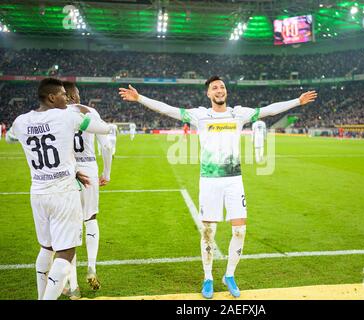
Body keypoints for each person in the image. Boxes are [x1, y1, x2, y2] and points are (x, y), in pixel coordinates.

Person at [119, 76, 317, 299]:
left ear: (226, 92)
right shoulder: (200, 115)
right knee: (208, 232)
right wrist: (139, 98)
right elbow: (168, 109)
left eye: (222, 87)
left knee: (240, 230)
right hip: (209, 181)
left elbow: (269, 110)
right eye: (214, 88)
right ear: (208, 94)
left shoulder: (238, 114)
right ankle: (208, 277)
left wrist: (297, 101)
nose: (219, 90)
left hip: (234, 180)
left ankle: (229, 275)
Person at [6, 78, 111, 300]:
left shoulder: (20, 121)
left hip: (38, 193)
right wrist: (85, 109)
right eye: (64, 94)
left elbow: (10, 138)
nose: (68, 98)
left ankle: (42, 294)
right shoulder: (68, 115)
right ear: (52, 97)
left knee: (46, 247)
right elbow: (103, 128)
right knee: (66, 250)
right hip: (64, 193)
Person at [62, 81, 114, 298]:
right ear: (76, 95)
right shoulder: (90, 111)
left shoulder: (58, 114)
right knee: (90, 218)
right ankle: (91, 266)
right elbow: (107, 145)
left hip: (67, 172)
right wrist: (107, 173)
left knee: (69, 226)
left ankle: (72, 285)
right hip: (90, 168)